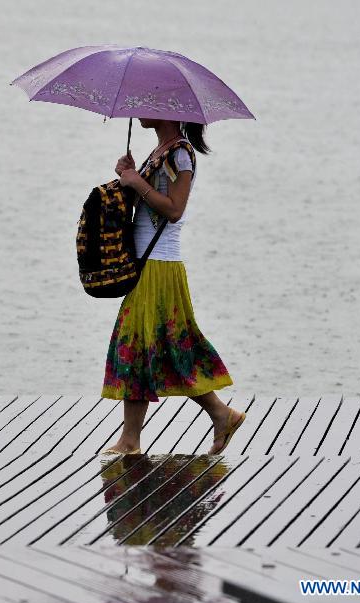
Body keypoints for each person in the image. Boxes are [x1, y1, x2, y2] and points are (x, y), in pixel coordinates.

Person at [101, 118, 245, 456]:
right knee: (155, 347)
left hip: (160, 266)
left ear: (167, 110)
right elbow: (146, 205)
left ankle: (132, 440)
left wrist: (137, 182)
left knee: (138, 344)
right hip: (146, 264)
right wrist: (129, 176)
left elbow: (175, 210)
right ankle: (219, 415)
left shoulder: (181, 154)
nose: (138, 111)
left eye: (147, 102)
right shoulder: (159, 152)